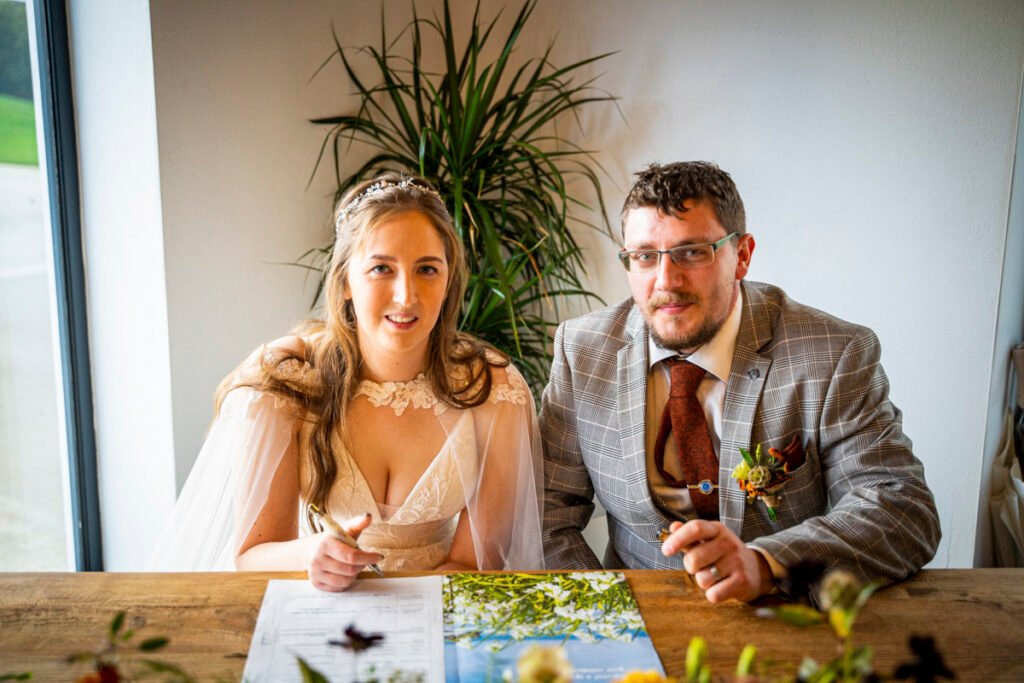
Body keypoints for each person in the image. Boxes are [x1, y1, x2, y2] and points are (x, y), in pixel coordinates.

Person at [540, 161, 940, 603]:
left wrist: (768, 565)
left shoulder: (834, 354)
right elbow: (546, 510)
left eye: (692, 252)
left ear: (742, 255)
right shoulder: (582, 351)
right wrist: (604, 612)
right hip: (635, 617)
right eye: (645, 256)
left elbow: (901, 509)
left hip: (781, 615)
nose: (665, 281)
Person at [150, 173, 544, 589]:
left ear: (449, 281)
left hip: (441, 607)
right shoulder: (289, 379)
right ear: (344, 284)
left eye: (427, 269)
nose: (406, 295)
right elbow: (252, 555)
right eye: (381, 268)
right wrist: (311, 555)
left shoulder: (493, 390)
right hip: (315, 601)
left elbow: (473, 561)